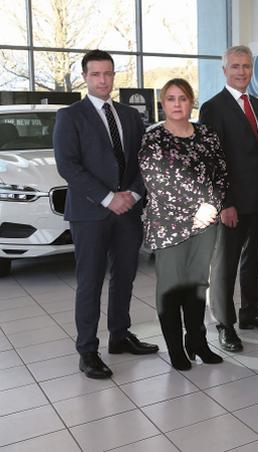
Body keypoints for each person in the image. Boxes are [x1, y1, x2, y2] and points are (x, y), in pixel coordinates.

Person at [53, 49, 158, 379]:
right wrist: (108, 197)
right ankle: (87, 350)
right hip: (90, 213)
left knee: (125, 276)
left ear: (114, 76)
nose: (102, 80)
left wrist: (135, 193)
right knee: (90, 282)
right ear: (85, 76)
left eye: (108, 74)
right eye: (96, 74)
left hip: (128, 211)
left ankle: (120, 335)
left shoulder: (129, 115)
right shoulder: (70, 116)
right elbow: (68, 166)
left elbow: (144, 161)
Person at [200, 45, 258, 352]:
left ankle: (250, 311)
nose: (241, 71)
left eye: (246, 66)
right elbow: (211, 161)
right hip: (231, 203)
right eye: (235, 66)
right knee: (225, 266)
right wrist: (224, 203)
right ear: (224, 70)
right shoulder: (213, 107)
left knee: (254, 260)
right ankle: (225, 323)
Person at [139, 79, 226, 370]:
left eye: (183, 98)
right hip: (169, 225)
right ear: (162, 104)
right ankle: (176, 349)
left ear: (191, 102)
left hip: (205, 224)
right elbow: (157, 184)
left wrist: (211, 206)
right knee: (171, 289)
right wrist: (196, 210)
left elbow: (221, 174)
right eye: (171, 98)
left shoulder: (207, 135)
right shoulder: (153, 139)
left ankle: (198, 342)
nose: (177, 104)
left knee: (197, 286)